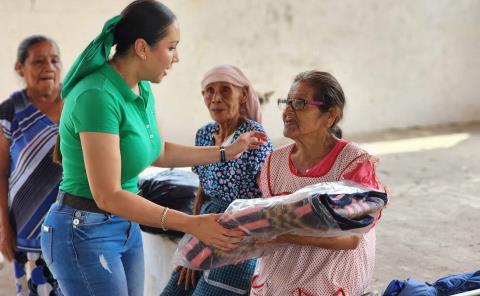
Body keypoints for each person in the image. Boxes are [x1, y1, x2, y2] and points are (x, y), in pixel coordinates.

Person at [40, 1, 266, 296]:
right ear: (142, 48)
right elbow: (107, 194)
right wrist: (192, 223)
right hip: (83, 230)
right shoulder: (97, 95)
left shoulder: (141, 88)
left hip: (124, 224)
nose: (177, 58)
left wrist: (227, 151)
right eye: (171, 47)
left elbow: (157, 152)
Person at [250, 71, 384, 296]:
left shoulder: (353, 162)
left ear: (330, 115)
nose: (288, 111)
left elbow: (350, 238)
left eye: (300, 103)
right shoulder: (275, 161)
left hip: (330, 285)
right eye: (287, 102)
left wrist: (284, 235)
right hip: (275, 285)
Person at [161, 65, 273, 295]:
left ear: (243, 94)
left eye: (225, 90)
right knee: (177, 288)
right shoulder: (204, 134)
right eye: (209, 91)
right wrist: (192, 244)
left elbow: (267, 196)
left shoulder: (254, 136)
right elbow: (202, 190)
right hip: (205, 225)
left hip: (237, 234)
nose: (216, 98)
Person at [0, 35, 63, 295]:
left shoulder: (77, 104)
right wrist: (4, 228)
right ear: (20, 68)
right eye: (38, 61)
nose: (48, 67)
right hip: (26, 229)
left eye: (54, 60)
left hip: (73, 227)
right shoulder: (11, 110)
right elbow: (0, 173)